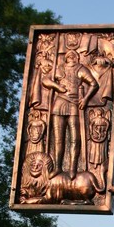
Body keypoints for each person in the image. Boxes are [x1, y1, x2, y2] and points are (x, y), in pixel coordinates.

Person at [42, 49, 98, 179]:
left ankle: (73, 168)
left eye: (74, 55)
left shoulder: (80, 69)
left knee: (75, 138)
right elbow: (45, 80)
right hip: (59, 103)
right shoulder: (59, 68)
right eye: (69, 55)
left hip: (73, 104)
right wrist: (57, 87)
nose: (71, 56)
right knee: (58, 139)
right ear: (66, 58)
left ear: (77, 58)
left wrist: (85, 99)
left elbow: (94, 84)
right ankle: (57, 167)